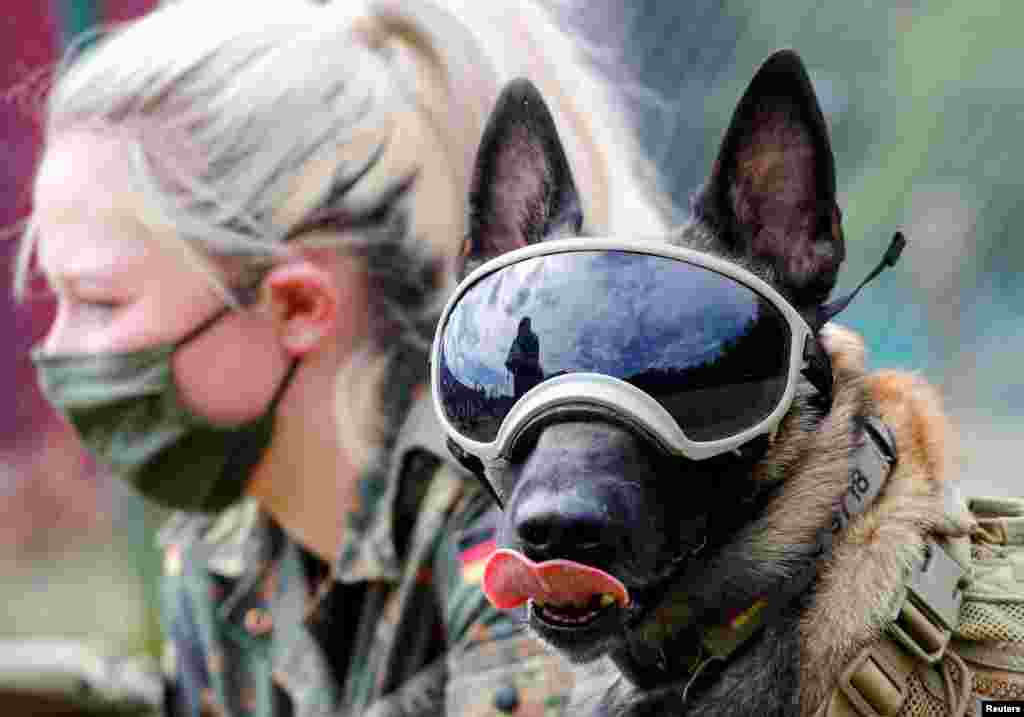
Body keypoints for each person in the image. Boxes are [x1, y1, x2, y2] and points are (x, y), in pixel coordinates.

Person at [13, 0, 670, 714]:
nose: (58, 352)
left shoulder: (531, 526)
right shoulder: (225, 554)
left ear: (296, 304)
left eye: (99, 301)